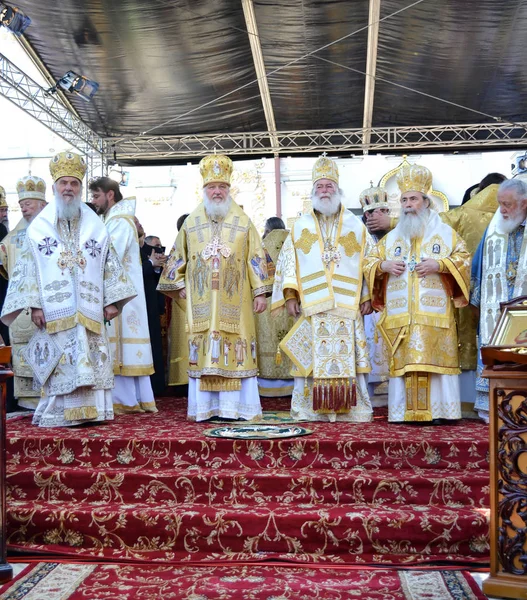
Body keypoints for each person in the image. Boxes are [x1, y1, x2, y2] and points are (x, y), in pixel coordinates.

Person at [0, 151, 136, 427]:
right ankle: (58, 412)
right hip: (54, 311)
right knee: (60, 359)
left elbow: (108, 262)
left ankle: (93, 411)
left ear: (80, 187)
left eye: (74, 184)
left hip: (90, 307)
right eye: (64, 183)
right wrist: (35, 304)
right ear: (55, 187)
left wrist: (113, 301)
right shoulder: (39, 227)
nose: (69, 188)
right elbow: (28, 267)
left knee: (92, 356)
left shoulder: (95, 224)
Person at [158, 154, 272, 421]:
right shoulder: (191, 223)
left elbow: (255, 256)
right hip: (202, 303)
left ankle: (237, 409)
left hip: (238, 302)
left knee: (238, 350)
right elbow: (177, 258)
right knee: (203, 352)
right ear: (204, 190)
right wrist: (177, 285)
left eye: (222, 187)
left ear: (229, 190)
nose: (217, 191)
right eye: (212, 187)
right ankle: (206, 409)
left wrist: (260, 292)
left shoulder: (243, 221)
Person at [364, 163, 471, 424]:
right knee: (406, 365)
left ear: (426, 201)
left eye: (413, 198)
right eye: (404, 200)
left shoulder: (445, 233)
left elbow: (465, 259)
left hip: (434, 317)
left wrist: (441, 264)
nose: (408, 204)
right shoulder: (391, 239)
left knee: (435, 364)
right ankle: (404, 414)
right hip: (402, 318)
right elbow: (368, 261)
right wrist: (383, 265)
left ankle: (442, 412)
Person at [272, 155, 374, 422]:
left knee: (348, 355)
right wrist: (290, 294)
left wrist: (366, 295)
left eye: (329, 186)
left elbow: (367, 262)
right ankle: (309, 408)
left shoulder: (356, 226)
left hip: (346, 303)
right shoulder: (300, 226)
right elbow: (288, 262)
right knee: (312, 358)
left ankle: (352, 408)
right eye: (320, 186)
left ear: (337, 190)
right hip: (312, 303)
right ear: (313, 191)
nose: (325, 191)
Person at [89, 177, 157, 414]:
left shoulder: (118, 221)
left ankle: (125, 400)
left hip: (121, 298)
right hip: (123, 295)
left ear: (110, 195)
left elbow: (109, 256)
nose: (93, 201)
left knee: (121, 348)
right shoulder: (113, 219)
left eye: (96, 196)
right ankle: (128, 398)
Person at [470, 178, 527, 423]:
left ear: (524, 203)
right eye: (500, 204)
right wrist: (477, 301)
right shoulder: (494, 228)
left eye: (507, 205)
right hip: (499, 307)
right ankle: (490, 406)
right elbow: (479, 264)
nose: (502, 210)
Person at [0, 175, 47, 410]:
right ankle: (28, 399)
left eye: (29, 204)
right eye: (21, 205)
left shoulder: (51, 230)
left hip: (49, 303)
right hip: (22, 308)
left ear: (43, 204)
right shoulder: (11, 238)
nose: (24, 208)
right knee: (23, 349)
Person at [255, 217, 295, 397]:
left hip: (267, 302)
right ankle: (292, 383)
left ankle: (266, 387)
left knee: (268, 337)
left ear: (266, 229)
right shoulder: (293, 243)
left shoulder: (261, 245)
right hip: (289, 300)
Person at [359, 183, 390, 404]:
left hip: (392, 299)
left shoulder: (398, 235)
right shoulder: (359, 236)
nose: (379, 216)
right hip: (367, 301)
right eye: (374, 212)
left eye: (385, 212)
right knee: (369, 341)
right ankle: (370, 391)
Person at [140, 233, 167, 395]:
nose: (158, 249)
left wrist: (156, 267)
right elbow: (136, 272)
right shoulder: (137, 252)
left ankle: (157, 386)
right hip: (140, 305)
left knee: (155, 344)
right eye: (156, 246)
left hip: (152, 304)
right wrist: (151, 263)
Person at [167, 214, 189, 389]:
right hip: (183, 296)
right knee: (183, 337)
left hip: (200, 297)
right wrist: (179, 287)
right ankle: (182, 378)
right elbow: (171, 272)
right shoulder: (178, 245)